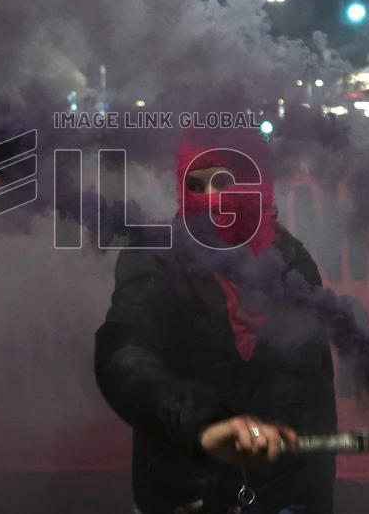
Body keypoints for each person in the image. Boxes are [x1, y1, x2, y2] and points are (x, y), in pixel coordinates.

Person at [95, 133, 336, 514]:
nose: (208, 197)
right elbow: (124, 353)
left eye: (222, 181)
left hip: (279, 492)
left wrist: (317, 500)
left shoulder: (292, 259)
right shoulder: (156, 255)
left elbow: (315, 391)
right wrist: (200, 424)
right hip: (185, 489)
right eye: (195, 184)